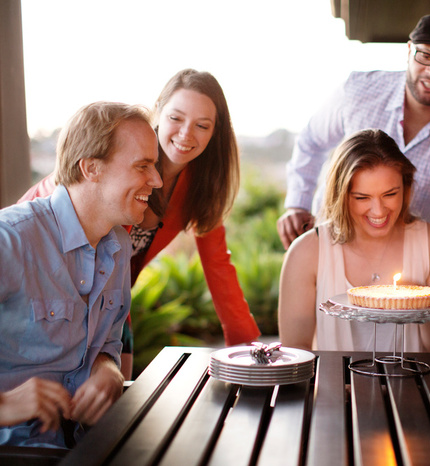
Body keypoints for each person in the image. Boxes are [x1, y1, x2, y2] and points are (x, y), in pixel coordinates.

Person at [277, 13, 430, 352]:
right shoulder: (359, 89)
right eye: (425, 56)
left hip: (412, 249)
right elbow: (311, 142)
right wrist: (297, 201)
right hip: (337, 242)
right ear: (409, 49)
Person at [19, 69, 261, 378]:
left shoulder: (199, 185)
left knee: (115, 402)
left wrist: (250, 353)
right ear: (158, 110)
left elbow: (219, 268)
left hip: (113, 298)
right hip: (52, 286)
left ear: (215, 132)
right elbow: (65, 194)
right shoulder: (121, 159)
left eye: (202, 125)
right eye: (176, 118)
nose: (187, 134)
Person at [1, 102, 162, 447]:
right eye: (143, 166)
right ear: (91, 168)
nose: (158, 180)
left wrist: (108, 370)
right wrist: (4, 405)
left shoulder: (118, 243)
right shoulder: (10, 240)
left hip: (86, 445)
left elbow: (106, 344)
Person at [278, 129, 430, 352]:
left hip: (414, 383)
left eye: (390, 194)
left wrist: (419, 303)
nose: (378, 211)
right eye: (362, 197)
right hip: (336, 384)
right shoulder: (307, 251)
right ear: (340, 195)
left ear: (406, 187)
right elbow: (296, 350)